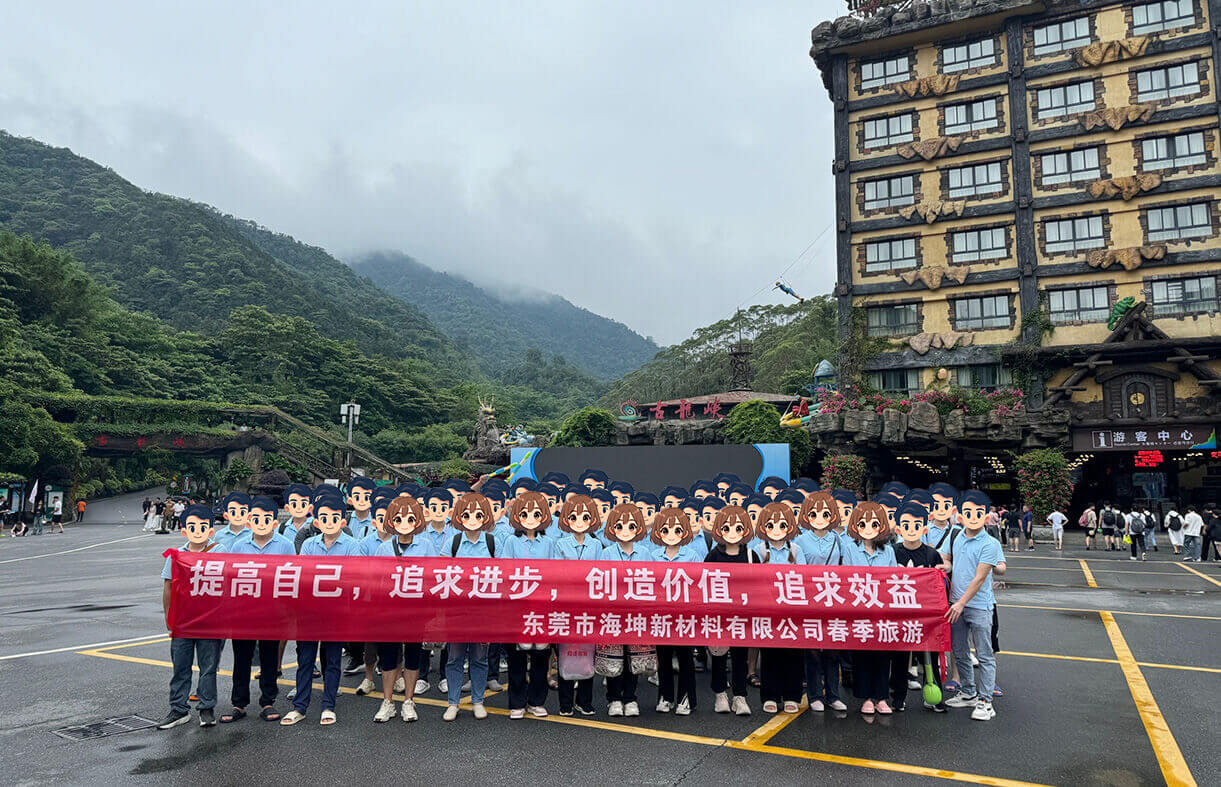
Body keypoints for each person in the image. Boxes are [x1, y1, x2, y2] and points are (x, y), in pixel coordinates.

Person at [281, 494, 361, 726]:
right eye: (323, 518)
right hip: (310, 611)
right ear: (316, 522)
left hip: (336, 612)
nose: (328, 521)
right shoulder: (308, 544)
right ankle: (300, 706)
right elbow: (303, 576)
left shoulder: (351, 545)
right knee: (305, 659)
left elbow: (352, 578)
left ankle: (328, 705)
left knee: (333, 659)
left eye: (334, 518)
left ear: (343, 522)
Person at [222, 496, 294, 724]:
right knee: (241, 657)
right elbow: (229, 578)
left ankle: (268, 701)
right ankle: (239, 703)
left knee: (269, 656)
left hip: (272, 612)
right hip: (244, 612)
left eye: (266, 519)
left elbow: (292, 577)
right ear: (248, 521)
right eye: (256, 518)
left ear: (274, 522)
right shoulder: (238, 546)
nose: (261, 523)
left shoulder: (285, 545)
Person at [941, 490, 1006, 722]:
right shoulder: (958, 537)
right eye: (967, 512)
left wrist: (960, 603)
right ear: (960, 516)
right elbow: (952, 560)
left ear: (986, 517)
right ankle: (968, 692)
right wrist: (946, 567)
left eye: (978, 513)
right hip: (956, 604)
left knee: (985, 654)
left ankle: (986, 701)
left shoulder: (990, 543)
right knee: (959, 651)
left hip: (978, 606)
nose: (973, 516)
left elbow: (980, 578)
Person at [157, 504, 223, 729]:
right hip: (183, 622)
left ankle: (206, 708)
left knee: (208, 667)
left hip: (211, 622)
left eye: (203, 526)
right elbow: (168, 588)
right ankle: (178, 709)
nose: (198, 530)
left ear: (211, 530)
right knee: (181, 667)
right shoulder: (176, 555)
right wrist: (169, 619)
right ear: (184, 530)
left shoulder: (221, 553)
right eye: (192, 526)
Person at [372, 494, 432, 723]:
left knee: (413, 656)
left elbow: (432, 578)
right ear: (391, 521)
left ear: (417, 521)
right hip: (390, 612)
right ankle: (387, 702)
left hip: (416, 611)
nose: (404, 524)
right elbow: (377, 582)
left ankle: (408, 701)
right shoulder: (384, 549)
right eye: (398, 519)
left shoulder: (425, 546)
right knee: (388, 657)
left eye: (410, 519)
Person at [442, 492, 498, 722]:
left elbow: (504, 575)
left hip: (483, 612)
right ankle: (453, 703)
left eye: (478, 514)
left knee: (479, 657)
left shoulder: (494, 542)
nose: (473, 518)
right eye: (467, 514)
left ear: (486, 517)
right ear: (459, 517)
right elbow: (440, 574)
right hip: (457, 610)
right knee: (454, 657)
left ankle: (477, 701)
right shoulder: (452, 542)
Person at [502, 491, 556, 719]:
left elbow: (556, 573)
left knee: (541, 656)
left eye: (536, 514)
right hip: (518, 607)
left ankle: (537, 701)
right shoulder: (511, 541)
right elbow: (505, 572)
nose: (531, 518)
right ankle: (517, 703)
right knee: (517, 656)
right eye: (525, 513)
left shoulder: (549, 542)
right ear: (517, 516)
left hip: (542, 606)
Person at [893, 502, 949, 712]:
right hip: (899, 614)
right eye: (905, 525)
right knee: (899, 657)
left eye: (916, 525)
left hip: (926, 616)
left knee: (930, 657)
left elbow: (939, 586)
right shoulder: (893, 552)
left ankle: (934, 696)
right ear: (898, 529)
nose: (911, 530)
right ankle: (898, 697)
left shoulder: (931, 555)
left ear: (925, 529)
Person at [842, 501, 897, 715]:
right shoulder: (849, 548)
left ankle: (882, 697)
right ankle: (865, 697)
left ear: (881, 526)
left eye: (874, 524)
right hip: (860, 611)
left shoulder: (889, 552)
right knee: (862, 656)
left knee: (883, 656)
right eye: (863, 524)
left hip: (883, 612)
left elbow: (893, 580)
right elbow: (846, 579)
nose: (868, 528)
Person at [705, 505, 758, 716]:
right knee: (718, 655)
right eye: (727, 528)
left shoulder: (751, 555)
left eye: (738, 528)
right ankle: (720, 694)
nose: (733, 533)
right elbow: (704, 584)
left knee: (740, 655)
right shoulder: (712, 556)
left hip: (743, 615)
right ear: (719, 531)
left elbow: (759, 586)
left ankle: (740, 696)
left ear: (745, 530)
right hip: (719, 615)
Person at [553, 494, 603, 716]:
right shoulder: (560, 544)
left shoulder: (597, 544)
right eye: (574, 517)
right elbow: (555, 574)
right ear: (566, 519)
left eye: (585, 517)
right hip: (566, 606)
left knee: (587, 653)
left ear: (592, 519)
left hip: (589, 606)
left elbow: (601, 575)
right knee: (566, 653)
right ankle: (565, 702)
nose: (580, 522)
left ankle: (585, 700)